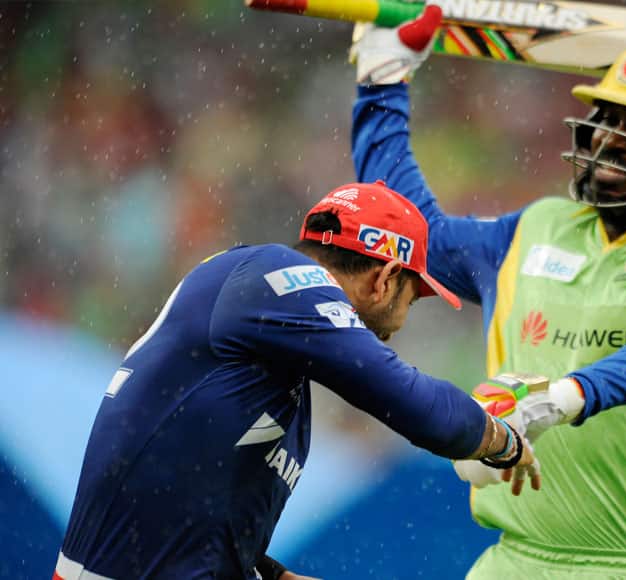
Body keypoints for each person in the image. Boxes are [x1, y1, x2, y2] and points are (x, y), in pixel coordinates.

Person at [349, 7, 626, 579]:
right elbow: (416, 234)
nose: (609, 139)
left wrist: (570, 395)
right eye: (606, 116)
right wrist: (382, 85)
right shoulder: (536, 227)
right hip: (514, 563)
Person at [54, 180, 541, 580]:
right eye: (412, 298)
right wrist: (502, 438)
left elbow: (192, 497)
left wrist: (270, 575)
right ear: (385, 278)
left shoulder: (270, 311)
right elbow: (415, 406)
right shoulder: (286, 278)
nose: (403, 320)